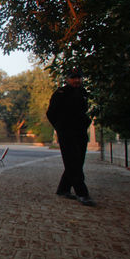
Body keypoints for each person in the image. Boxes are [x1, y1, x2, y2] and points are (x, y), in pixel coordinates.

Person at [46, 68, 95, 206]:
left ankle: (63, 189)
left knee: (78, 161)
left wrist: (86, 122)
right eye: (73, 78)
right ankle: (82, 193)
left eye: (78, 77)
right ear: (67, 79)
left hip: (80, 132)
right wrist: (60, 128)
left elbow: (85, 111)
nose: (76, 80)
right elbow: (51, 113)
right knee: (72, 162)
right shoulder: (60, 94)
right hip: (66, 133)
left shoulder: (83, 93)